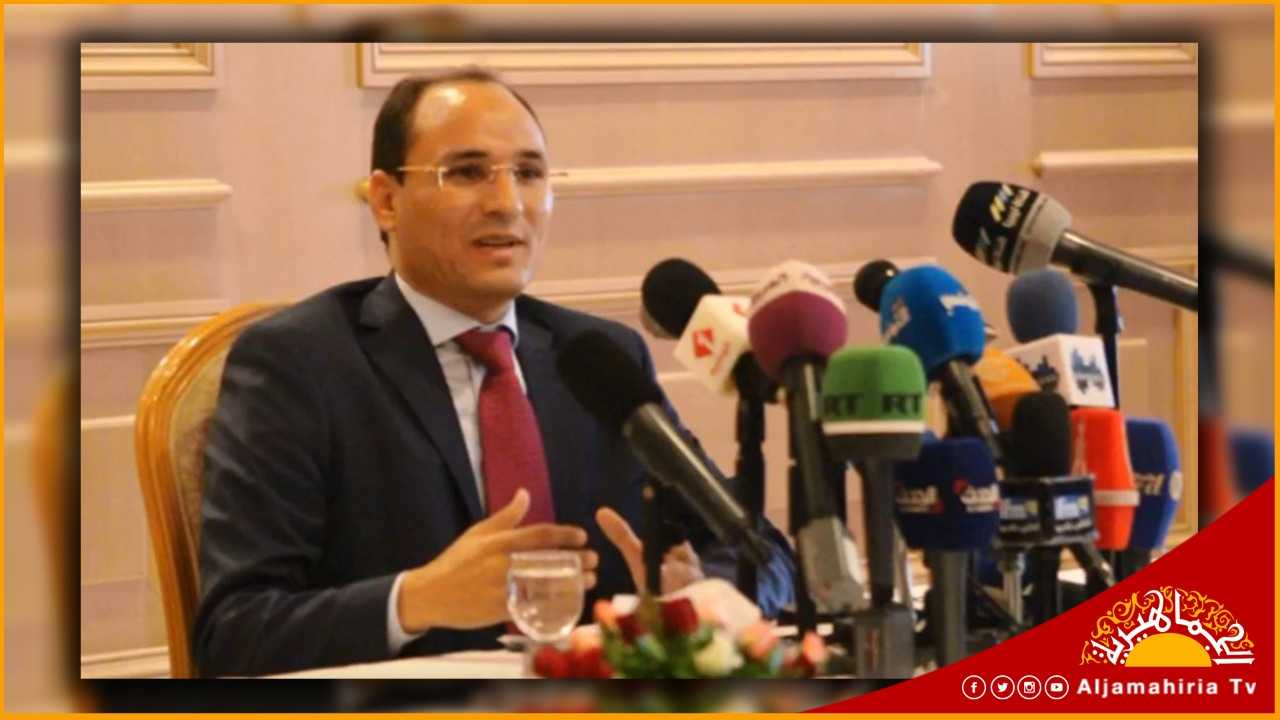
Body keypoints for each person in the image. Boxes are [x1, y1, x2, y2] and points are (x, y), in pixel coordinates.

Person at [194, 69, 795, 677]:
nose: (507, 204)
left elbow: (764, 553)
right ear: (386, 200)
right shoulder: (299, 363)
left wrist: (700, 600)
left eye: (529, 173)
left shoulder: (597, 358)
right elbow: (234, 636)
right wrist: (415, 600)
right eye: (466, 172)